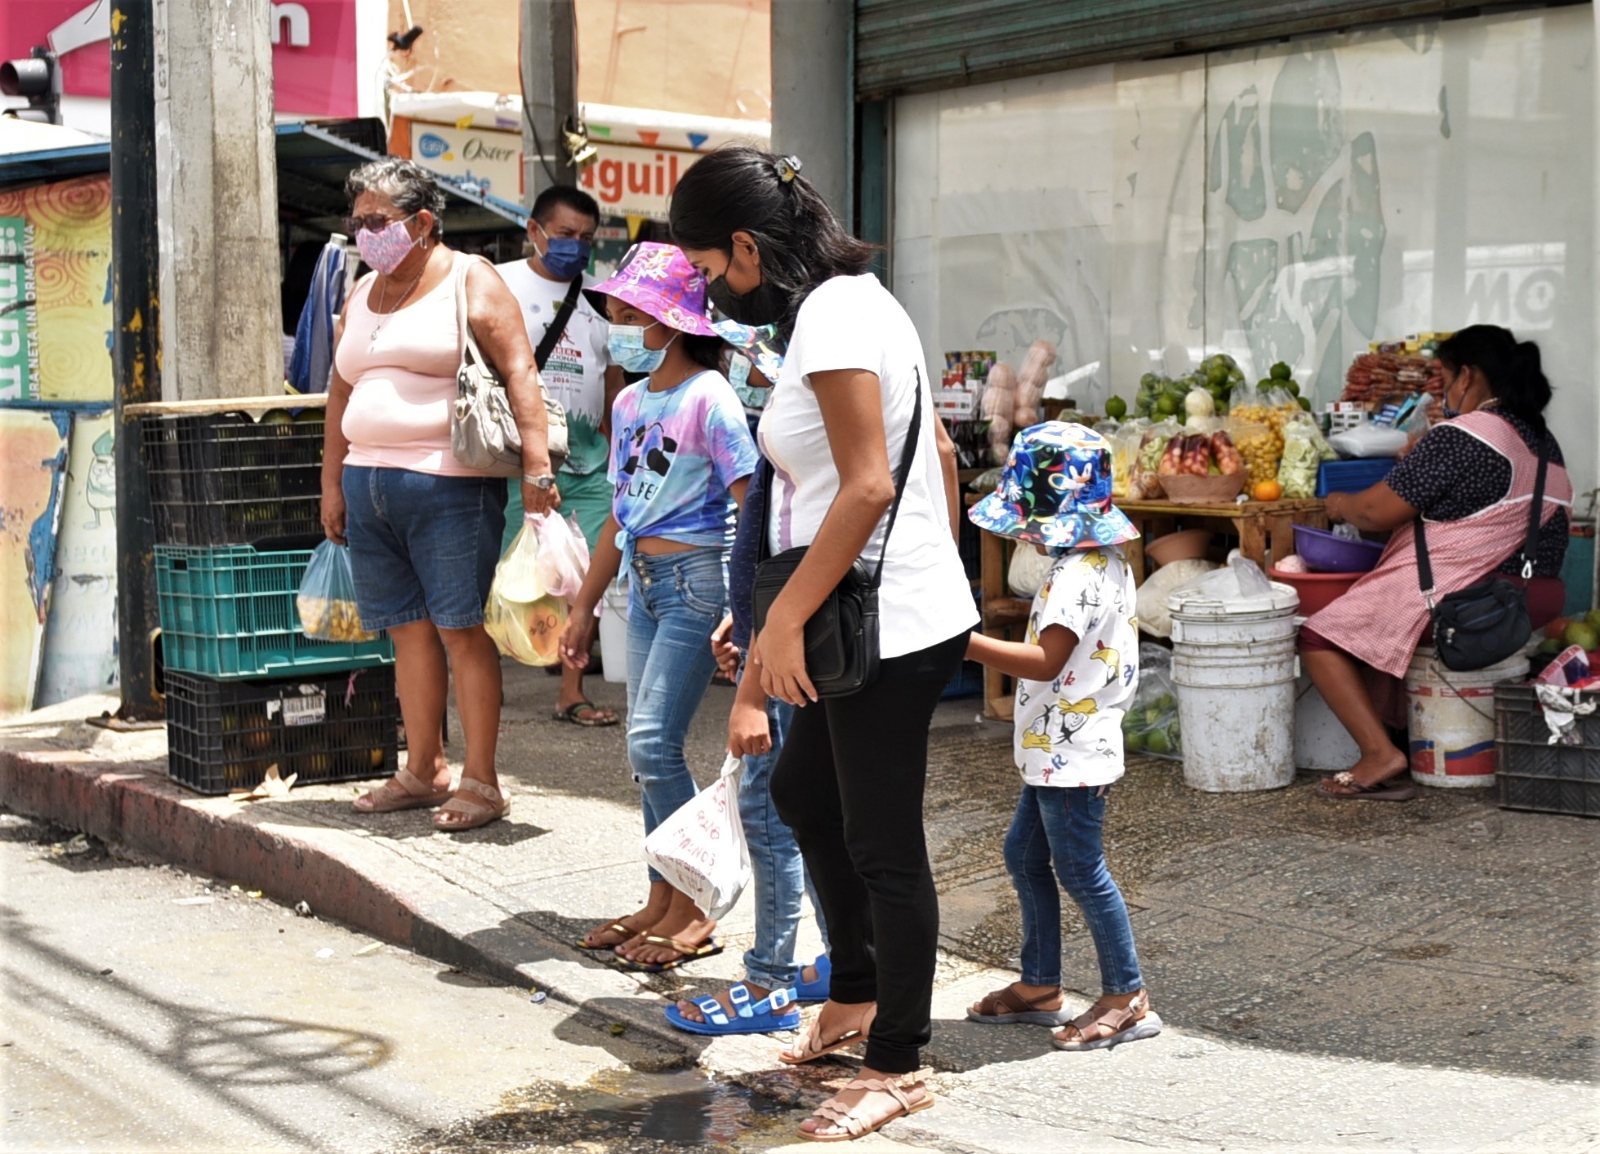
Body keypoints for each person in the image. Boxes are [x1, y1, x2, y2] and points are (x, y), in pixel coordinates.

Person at [670, 146, 978, 1142]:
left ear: (749, 246)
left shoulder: (841, 316)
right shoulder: (840, 310)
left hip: (886, 619)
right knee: (807, 795)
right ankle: (851, 996)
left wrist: (788, 619)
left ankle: (898, 1059)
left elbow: (868, 483)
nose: (713, 290)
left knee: (882, 838)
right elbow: (923, 455)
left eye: (711, 268)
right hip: (866, 602)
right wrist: (780, 605)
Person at [321, 158, 556, 832]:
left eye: (379, 221)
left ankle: (482, 781)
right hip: (370, 487)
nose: (367, 233)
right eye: (358, 222)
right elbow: (340, 391)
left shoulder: (468, 278)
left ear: (423, 222)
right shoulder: (361, 293)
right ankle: (423, 769)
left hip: (450, 486)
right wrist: (331, 481)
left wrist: (536, 467)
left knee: (460, 629)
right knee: (407, 632)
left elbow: (519, 371)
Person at [558, 242, 759, 971]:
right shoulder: (628, 400)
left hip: (695, 583)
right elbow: (621, 513)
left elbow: (748, 505)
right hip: (640, 585)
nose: (615, 315)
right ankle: (660, 896)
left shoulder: (711, 396)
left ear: (667, 318)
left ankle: (695, 906)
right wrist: (584, 607)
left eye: (629, 307)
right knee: (647, 756)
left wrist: (744, 601)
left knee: (650, 744)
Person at [1303, 325, 1573, 801]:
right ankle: (1406, 741)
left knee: (1321, 634)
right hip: (1533, 595)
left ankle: (1378, 753)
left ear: (1467, 376)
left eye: (1445, 378)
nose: (1444, 392)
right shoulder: (1543, 442)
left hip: (1470, 602)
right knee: (1380, 620)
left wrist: (1341, 505)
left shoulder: (1464, 436)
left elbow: (1376, 511)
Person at [963, 422, 1162, 1053]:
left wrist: (959, 644)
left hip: (1072, 752)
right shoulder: (1097, 561)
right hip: (1058, 746)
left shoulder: (1078, 575)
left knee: (1081, 869)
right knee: (1024, 855)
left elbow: (1047, 662)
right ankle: (1041, 985)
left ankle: (1126, 996)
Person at [665, 349, 831, 1037]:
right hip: (778, 635)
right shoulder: (782, 440)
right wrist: (749, 612)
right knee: (808, 812)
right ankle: (842, 954)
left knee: (771, 812)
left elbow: (788, 557)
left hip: (785, 652)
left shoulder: (798, 438)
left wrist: (752, 690)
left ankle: (770, 981)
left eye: (746, 360)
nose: (737, 373)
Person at [497, 185, 625, 727]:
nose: (576, 247)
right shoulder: (499, 284)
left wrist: (621, 448)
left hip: (591, 463)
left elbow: (614, 378)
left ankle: (571, 689)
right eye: (566, 234)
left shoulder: (601, 299)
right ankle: (492, 678)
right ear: (535, 230)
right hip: (515, 462)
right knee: (508, 572)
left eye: (587, 239)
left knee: (587, 577)